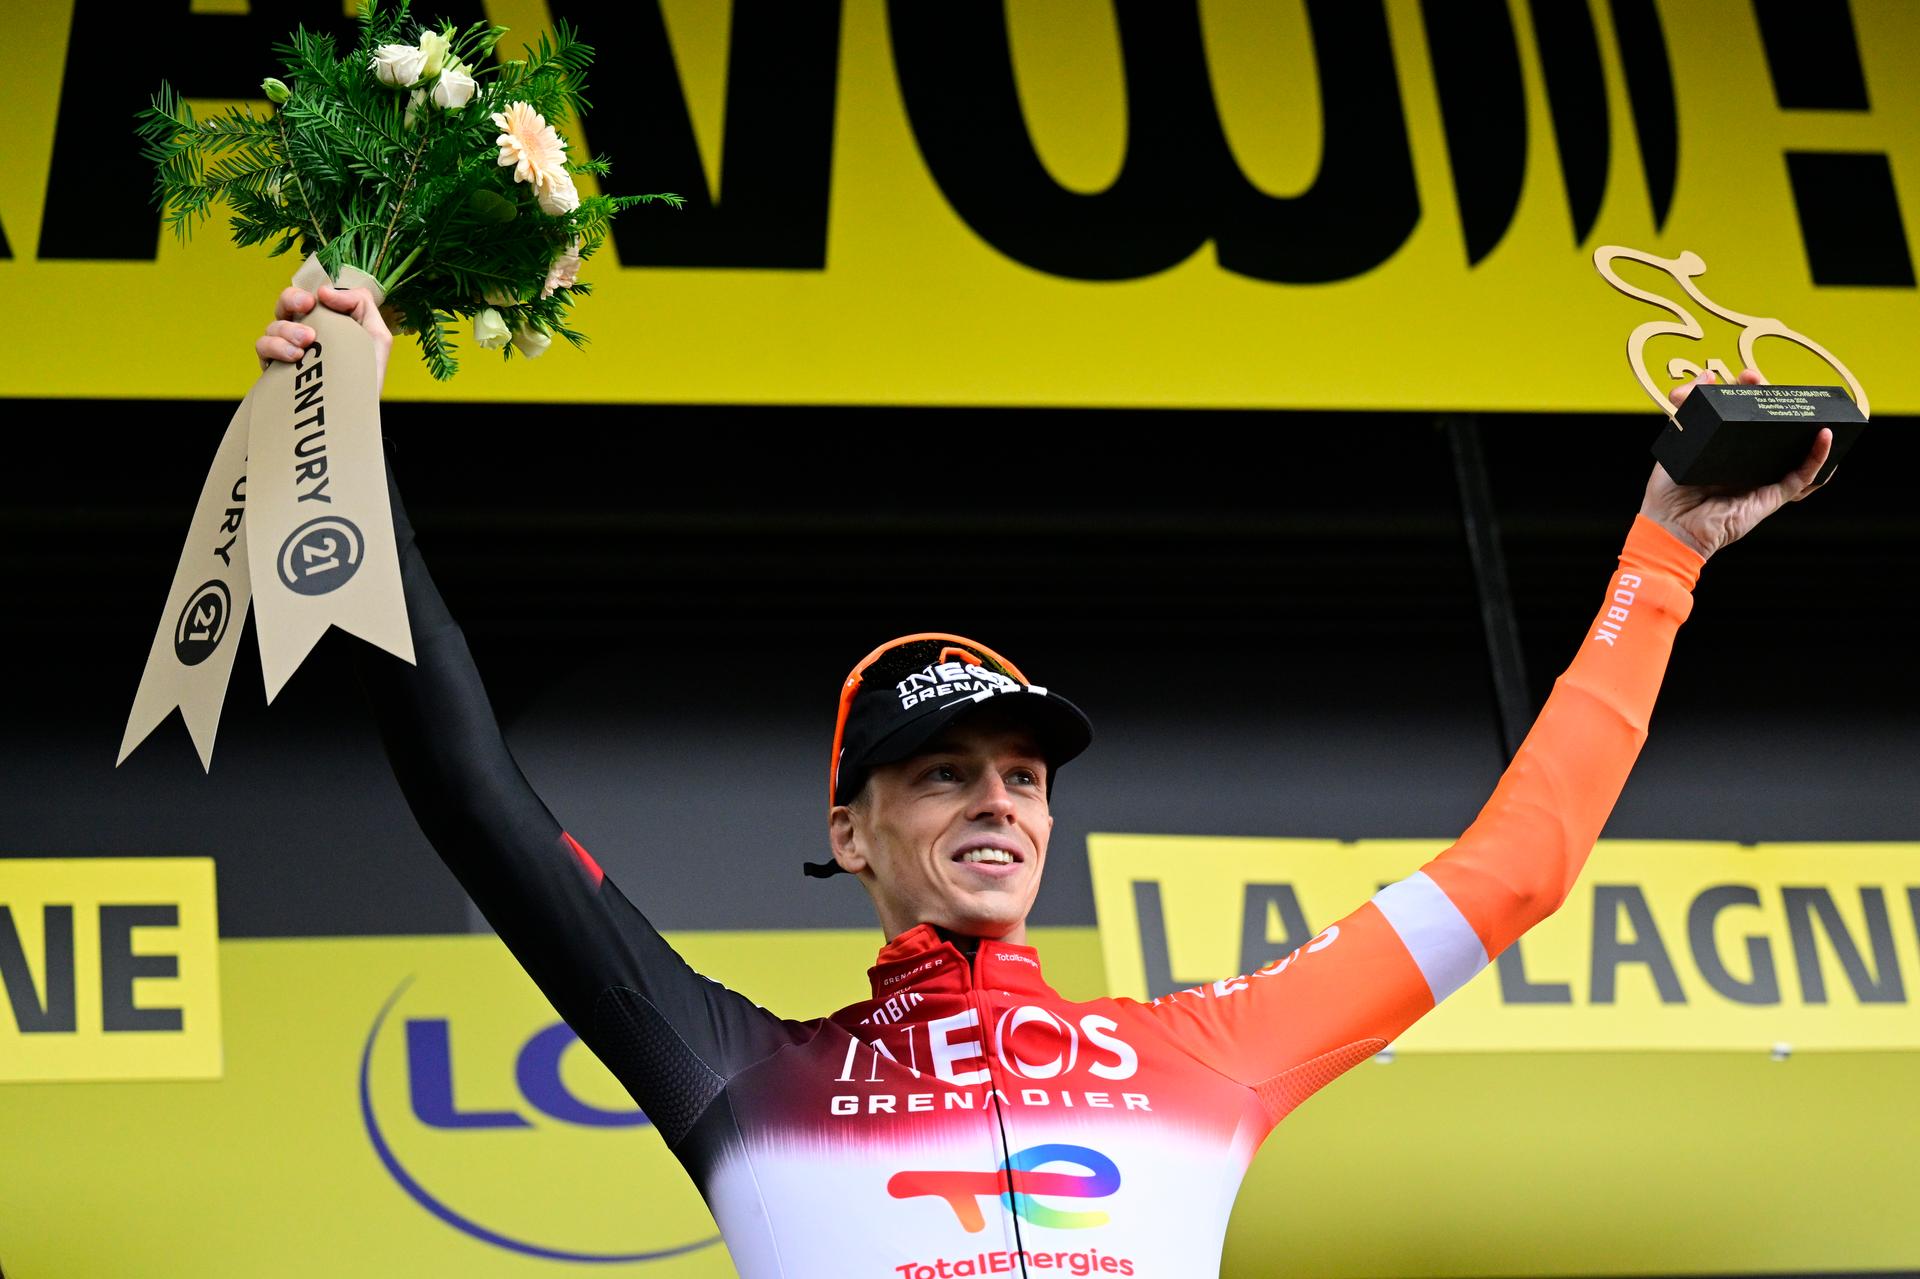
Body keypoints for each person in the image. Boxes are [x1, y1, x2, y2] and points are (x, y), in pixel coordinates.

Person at [259, 285, 1833, 1278]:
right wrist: (341, 438)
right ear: (849, 833)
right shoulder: (741, 1075)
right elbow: (473, 794)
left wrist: (1665, 553)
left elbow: (1517, 868)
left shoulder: (1202, 1054)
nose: (997, 802)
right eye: (940, 776)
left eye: (1022, 775)